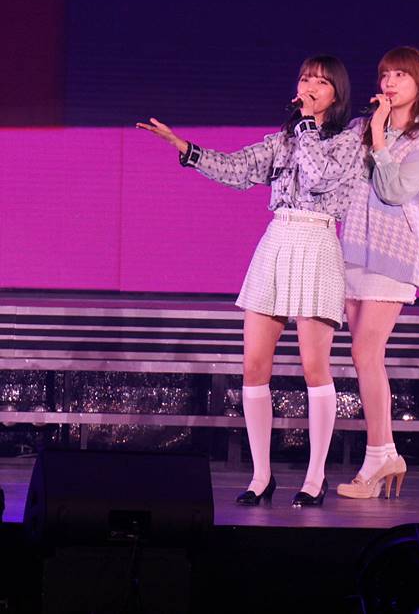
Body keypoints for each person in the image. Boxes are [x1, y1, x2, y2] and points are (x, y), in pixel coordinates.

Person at [137, 55, 362, 507]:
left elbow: (320, 177)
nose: (310, 86)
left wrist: (306, 126)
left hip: (318, 241)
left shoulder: (351, 138)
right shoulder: (282, 140)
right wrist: (186, 149)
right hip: (277, 239)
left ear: (337, 92)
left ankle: (314, 477)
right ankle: (261, 476)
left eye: (321, 81)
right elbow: (237, 168)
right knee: (254, 365)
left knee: (314, 366)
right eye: (305, 78)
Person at [337, 47, 419, 499]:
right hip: (352, 250)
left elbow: (395, 190)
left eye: (401, 75)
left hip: (392, 256)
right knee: (364, 357)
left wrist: (380, 139)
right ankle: (385, 452)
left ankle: (378, 456)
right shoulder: (362, 130)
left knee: (366, 352)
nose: (389, 83)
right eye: (385, 74)